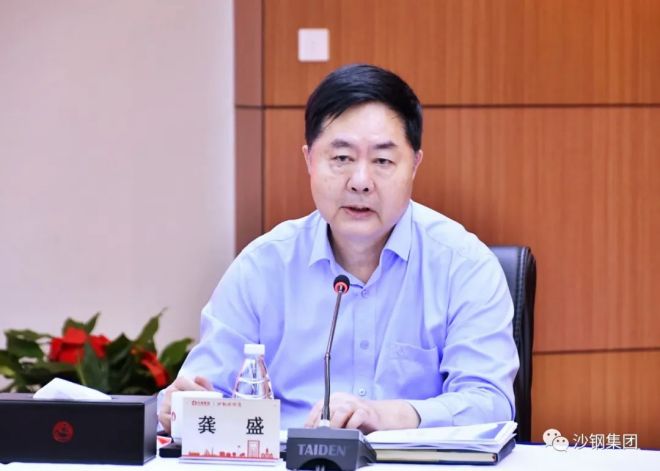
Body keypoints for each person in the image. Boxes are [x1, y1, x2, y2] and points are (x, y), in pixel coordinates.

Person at [158, 64, 519, 434]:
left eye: (382, 161)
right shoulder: (262, 267)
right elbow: (206, 392)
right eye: (342, 158)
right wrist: (181, 407)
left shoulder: (464, 265)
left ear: (414, 165)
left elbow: (490, 402)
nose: (360, 182)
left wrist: (389, 416)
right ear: (309, 160)